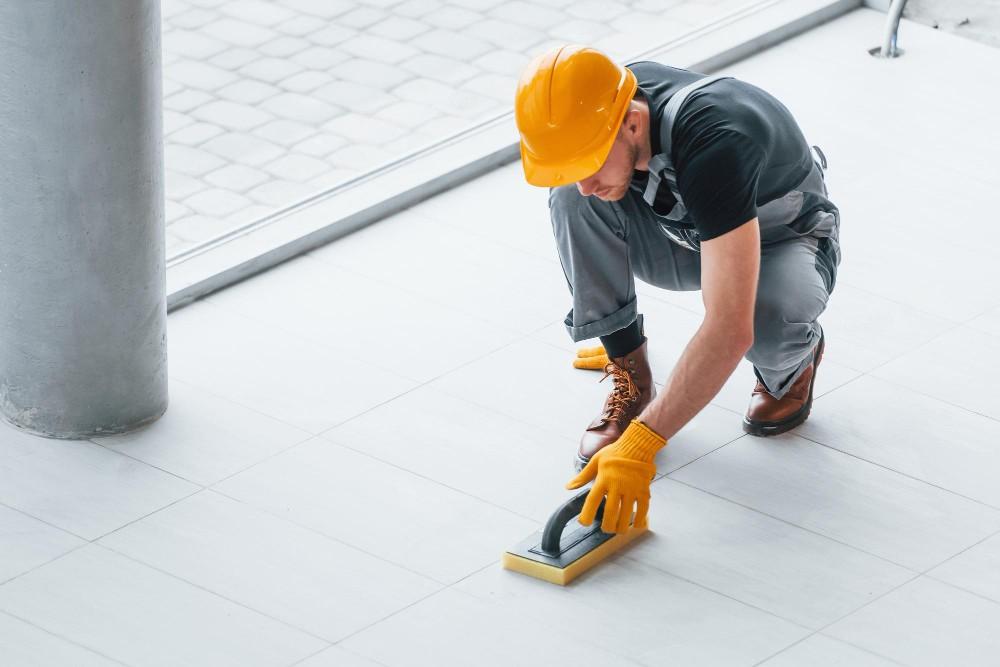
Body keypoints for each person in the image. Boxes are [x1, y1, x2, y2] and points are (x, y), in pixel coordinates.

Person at [513, 45, 841, 535]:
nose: (586, 182)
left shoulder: (718, 142)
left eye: (590, 162)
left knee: (764, 318)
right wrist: (615, 334)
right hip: (687, 232)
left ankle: (794, 367)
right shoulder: (606, 101)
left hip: (782, 237)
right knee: (572, 202)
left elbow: (729, 330)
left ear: (631, 124)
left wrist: (642, 444)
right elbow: (587, 187)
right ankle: (631, 369)